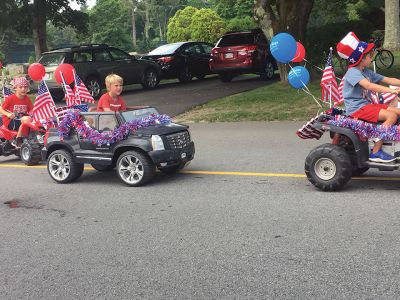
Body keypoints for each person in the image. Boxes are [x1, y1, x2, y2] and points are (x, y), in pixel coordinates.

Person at [337, 32, 400, 163]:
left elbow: (387, 79)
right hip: (357, 109)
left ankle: (392, 142)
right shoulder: (352, 72)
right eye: (369, 56)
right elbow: (369, 86)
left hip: (366, 105)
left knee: (397, 111)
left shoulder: (366, 71)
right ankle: (376, 151)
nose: (371, 58)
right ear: (361, 58)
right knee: (391, 116)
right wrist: (391, 91)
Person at [0, 77, 33, 147]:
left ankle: (38, 140)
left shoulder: (27, 99)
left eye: (25, 87)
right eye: (20, 87)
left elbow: (31, 110)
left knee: (35, 122)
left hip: (21, 119)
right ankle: (18, 139)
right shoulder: (10, 98)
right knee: (27, 119)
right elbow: (1, 109)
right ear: (15, 88)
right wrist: (8, 114)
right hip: (10, 120)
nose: (23, 89)